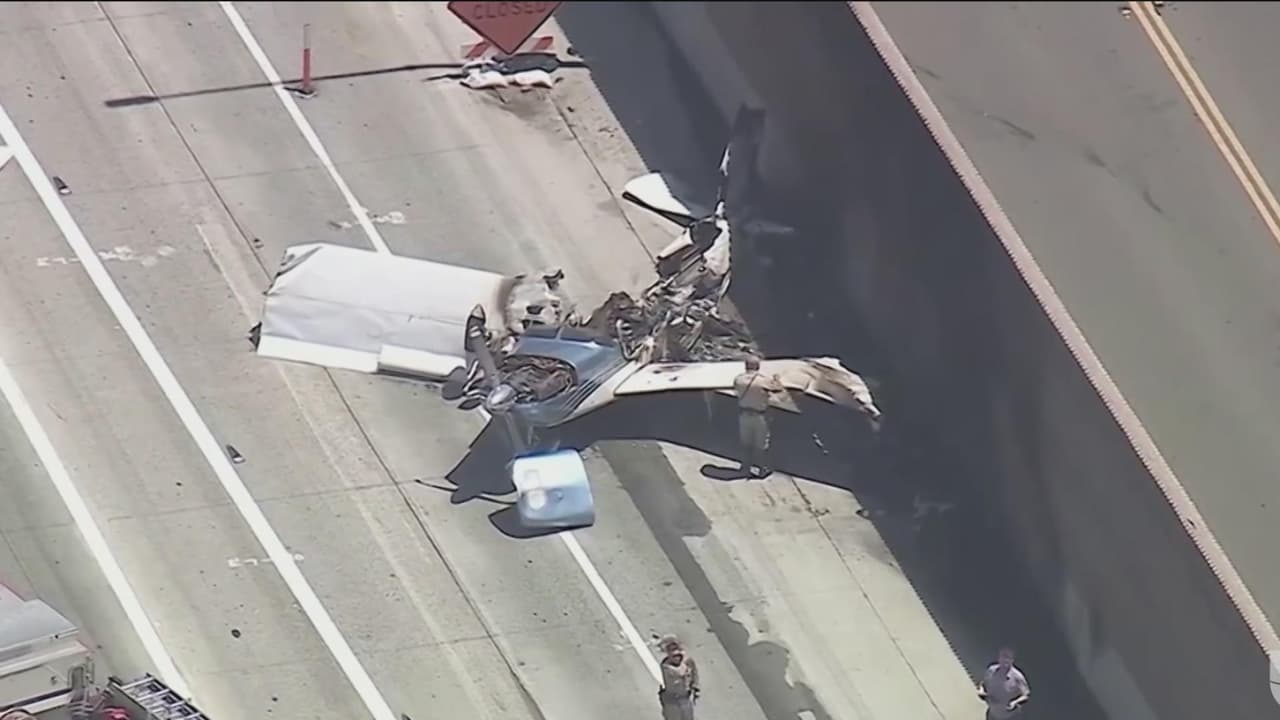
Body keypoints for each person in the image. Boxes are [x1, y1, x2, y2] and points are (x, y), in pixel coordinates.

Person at [733, 355, 786, 478]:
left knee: (746, 442)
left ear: (745, 366)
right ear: (758, 366)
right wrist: (776, 379)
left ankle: (745, 467)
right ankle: (762, 469)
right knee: (761, 444)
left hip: (744, 415)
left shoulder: (738, 379)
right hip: (759, 415)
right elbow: (778, 389)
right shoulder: (763, 381)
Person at [977, 647, 1031, 719]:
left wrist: (1014, 702)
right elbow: (983, 683)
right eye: (1003, 659)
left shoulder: (1018, 677)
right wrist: (981, 691)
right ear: (999, 659)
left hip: (1010, 716)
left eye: (1008, 660)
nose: (1005, 662)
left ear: (1012, 661)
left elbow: (1026, 695)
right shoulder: (991, 671)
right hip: (992, 714)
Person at [657, 634, 699, 720]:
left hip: (685, 699)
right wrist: (687, 664)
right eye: (673, 655)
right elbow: (680, 673)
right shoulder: (666, 666)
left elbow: (694, 672)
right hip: (672, 702)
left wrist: (695, 686)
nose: (676, 658)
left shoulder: (687, 661)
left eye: (678, 655)